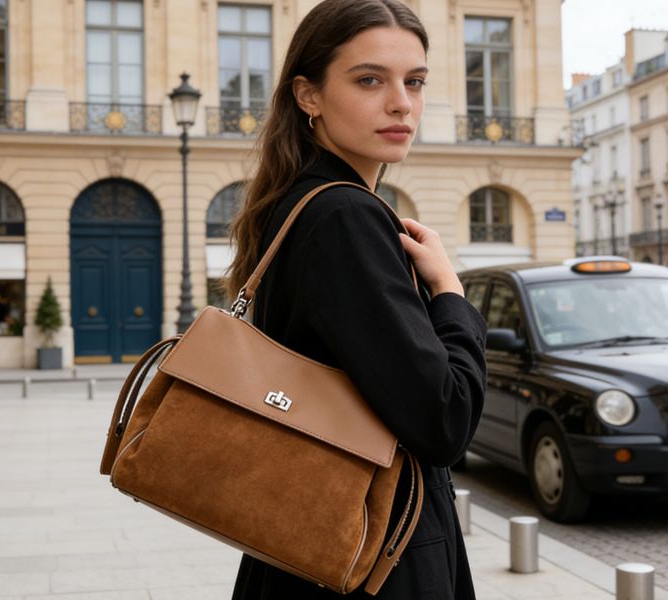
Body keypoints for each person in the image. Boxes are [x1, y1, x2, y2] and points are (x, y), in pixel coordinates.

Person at [226, 1, 487, 598]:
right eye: (370, 80)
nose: (402, 103)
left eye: (414, 81)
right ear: (308, 95)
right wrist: (450, 293)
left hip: (313, 536)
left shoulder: (299, 201)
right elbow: (444, 420)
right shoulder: (344, 215)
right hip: (371, 553)